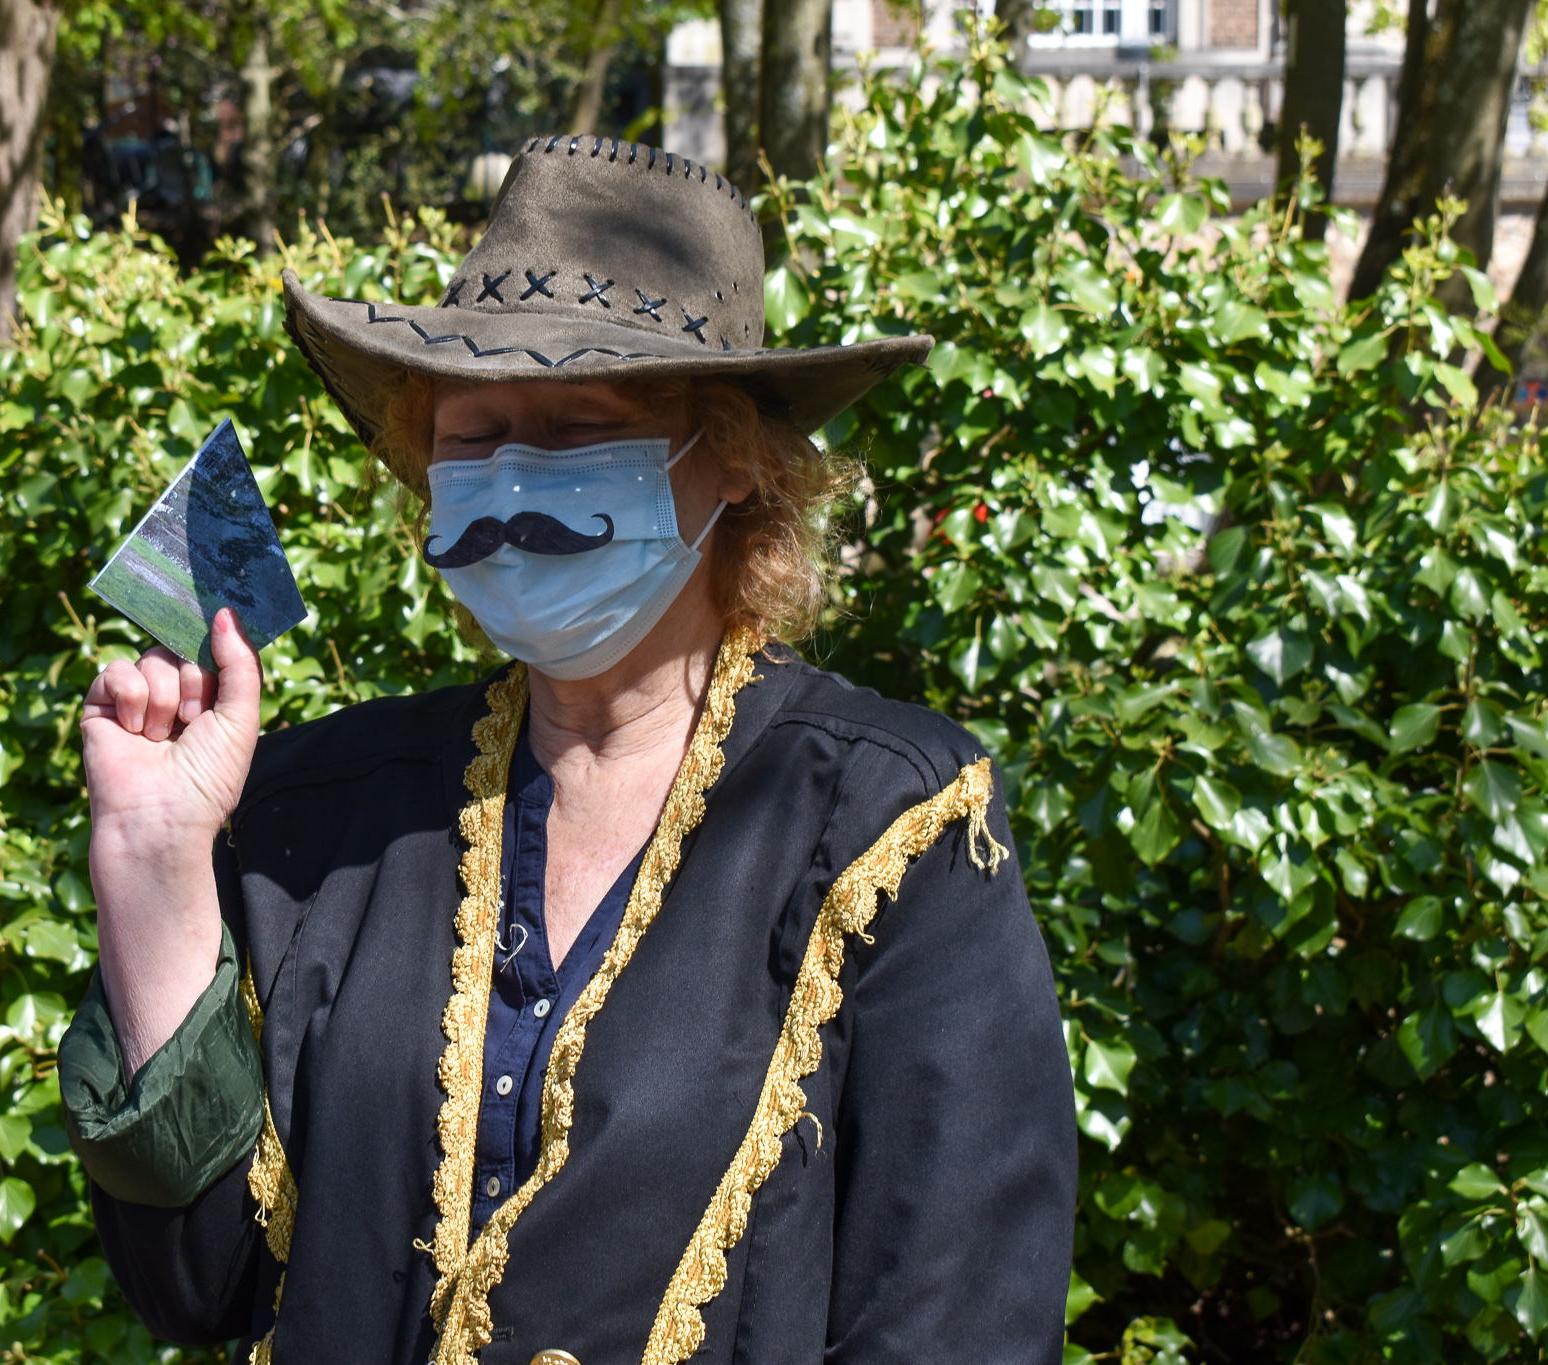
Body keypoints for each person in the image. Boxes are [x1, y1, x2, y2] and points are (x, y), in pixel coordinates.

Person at [60, 136, 1077, 1365]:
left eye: (577, 427)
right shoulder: (323, 810)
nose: (509, 480)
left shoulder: (888, 822)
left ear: (733, 461)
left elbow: (958, 1316)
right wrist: (155, 864)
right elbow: (198, 1284)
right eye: (472, 433)